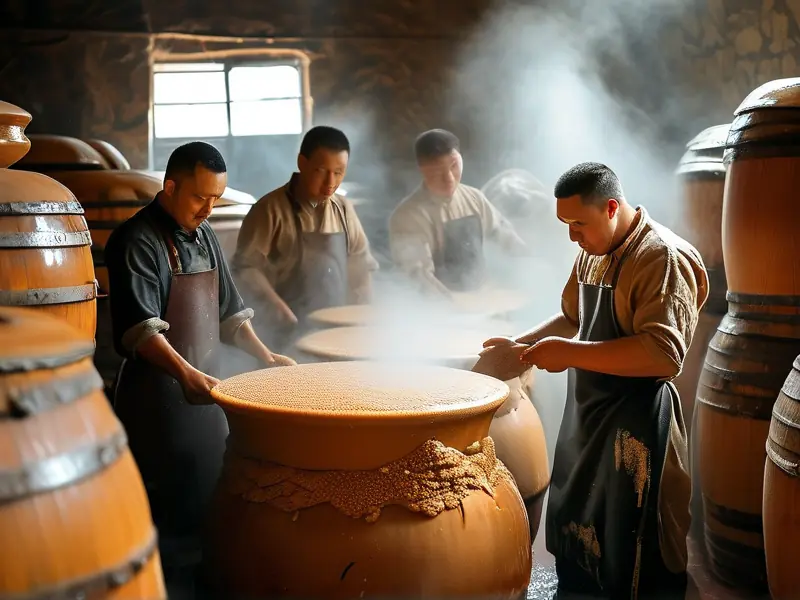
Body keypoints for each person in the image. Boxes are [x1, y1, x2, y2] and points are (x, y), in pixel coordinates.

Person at [480, 162, 707, 598]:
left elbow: (663, 355)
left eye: (578, 223)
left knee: (631, 546)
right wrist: (519, 347)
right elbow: (572, 317)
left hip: (636, 429)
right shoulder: (594, 249)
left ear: (610, 208)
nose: (572, 236)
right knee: (576, 530)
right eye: (565, 224)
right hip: (587, 418)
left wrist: (567, 354)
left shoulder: (660, 257)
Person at [105, 141, 295, 593]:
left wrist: (265, 356)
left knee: (210, 505)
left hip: (205, 395)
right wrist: (188, 374)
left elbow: (230, 313)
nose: (208, 210)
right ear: (170, 187)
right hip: (157, 405)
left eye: (217, 199)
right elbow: (142, 331)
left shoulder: (204, 234)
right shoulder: (136, 240)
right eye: (199, 197)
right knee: (168, 519)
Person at [232, 125, 379, 351]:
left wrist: (364, 311)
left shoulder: (343, 208)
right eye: (322, 170)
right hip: (285, 331)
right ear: (302, 163)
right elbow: (246, 268)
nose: (330, 182)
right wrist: (277, 308)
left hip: (336, 331)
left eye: (339, 172)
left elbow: (361, 262)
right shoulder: (269, 210)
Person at [388, 129, 527, 296]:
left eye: (454, 166)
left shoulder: (474, 198)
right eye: (438, 171)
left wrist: (532, 264)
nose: (449, 178)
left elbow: (501, 232)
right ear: (422, 169)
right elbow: (418, 275)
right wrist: (453, 307)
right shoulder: (408, 216)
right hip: (437, 308)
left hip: (483, 296)